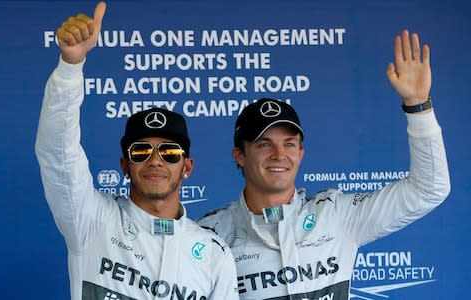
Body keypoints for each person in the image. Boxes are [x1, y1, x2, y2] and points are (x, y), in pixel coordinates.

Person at [197, 29, 450, 299]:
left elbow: (429, 189)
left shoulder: (336, 216)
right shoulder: (211, 236)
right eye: (264, 144)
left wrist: (418, 105)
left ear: (301, 153)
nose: (279, 154)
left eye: (289, 144)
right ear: (240, 155)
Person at [35, 2, 238, 299]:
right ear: (125, 165)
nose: (155, 160)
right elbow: (58, 151)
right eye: (141, 152)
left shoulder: (212, 252)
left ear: (187, 167)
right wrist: (70, 66)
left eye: (169, 153)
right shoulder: (91, 219)